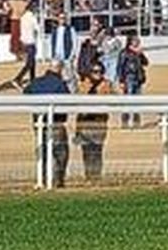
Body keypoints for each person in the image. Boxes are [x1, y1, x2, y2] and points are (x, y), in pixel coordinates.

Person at [23, 60, 71, 188]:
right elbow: (67, 102)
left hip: (39, 123)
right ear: (60, 69)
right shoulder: (61, 84)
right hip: (56, 123)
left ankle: (43, 179)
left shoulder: (36, 82)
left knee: (43, 151)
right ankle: (58, 181)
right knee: (60, 153)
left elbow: (26, 94)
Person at [76, 62, 112, 183]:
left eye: (100, 71)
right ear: (90, 72)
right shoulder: (82, 84)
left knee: (97, 151)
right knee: (86, 152)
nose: (98, 74)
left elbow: (114, 99)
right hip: (84, 124)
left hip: (99, 124)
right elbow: (78, 104)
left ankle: (96, 177)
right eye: (95, 71)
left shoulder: (107, 85)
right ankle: (88, 177)